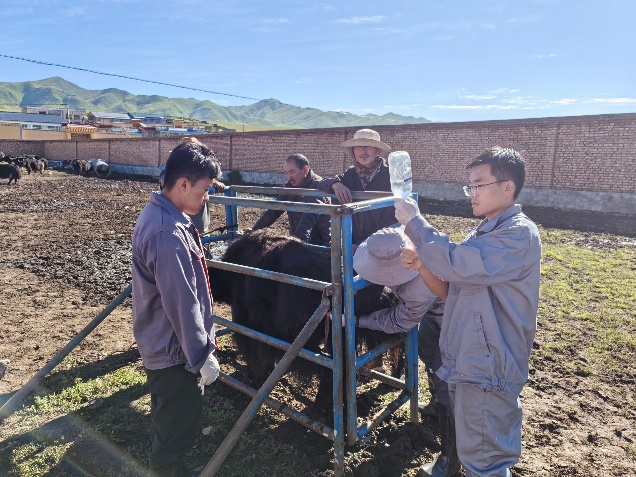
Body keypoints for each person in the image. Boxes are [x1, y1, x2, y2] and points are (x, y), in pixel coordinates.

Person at [395, 147, 542, 477]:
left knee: (485, 463)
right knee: (477, 454)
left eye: (478, 185)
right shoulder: (483, 232)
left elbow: (456, 265)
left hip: (488, 367)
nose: (471, 193)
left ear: (508, 187)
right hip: (470, 361)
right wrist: (422, 265)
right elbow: (451, 291)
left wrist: (415, 223)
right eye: (470, 186)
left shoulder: (518, 234)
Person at [132, 140, 223, 477]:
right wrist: (201, 355)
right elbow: (181, 301)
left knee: (169, 417)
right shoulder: (166, 233)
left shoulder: (168, 217)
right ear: (184, 184)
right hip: (175, 350)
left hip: (165, 341)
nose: (207, 196)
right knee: (178, 422)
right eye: (205, 189)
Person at [350, 225, 461, 477]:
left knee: (447, 377)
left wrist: (358, 321)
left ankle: (450, 458)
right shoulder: (413, 241)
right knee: (426, 348)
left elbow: (398, 321)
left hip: (458, 322)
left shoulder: (418, 288)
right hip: (436, 312)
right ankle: (437, 404)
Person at [317, 129, 396, 248]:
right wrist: (336, 184)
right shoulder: (350, 174)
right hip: (353, 246)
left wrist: (365, 245)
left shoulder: (390, 176)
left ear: (377, 150)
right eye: (358, 147)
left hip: (382, 246)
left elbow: (392, 217)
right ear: (353, 151)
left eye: (368, 146)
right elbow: (322, 183)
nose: (363, 151)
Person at [253, 153, 331, 245]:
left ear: (305, 170)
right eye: (286, 173)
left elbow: (311, 210)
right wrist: (255, 231)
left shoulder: (318, 186)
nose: (289, 177)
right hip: (299, 241)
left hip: (319, 244)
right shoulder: (290, 187)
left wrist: (299, 236)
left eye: (292, 172)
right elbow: (274, 210)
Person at [159, 137, 226, 234]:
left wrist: (211, 183)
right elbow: (166, 184)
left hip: (193, 216)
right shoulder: (171, 169)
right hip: (184, 214)